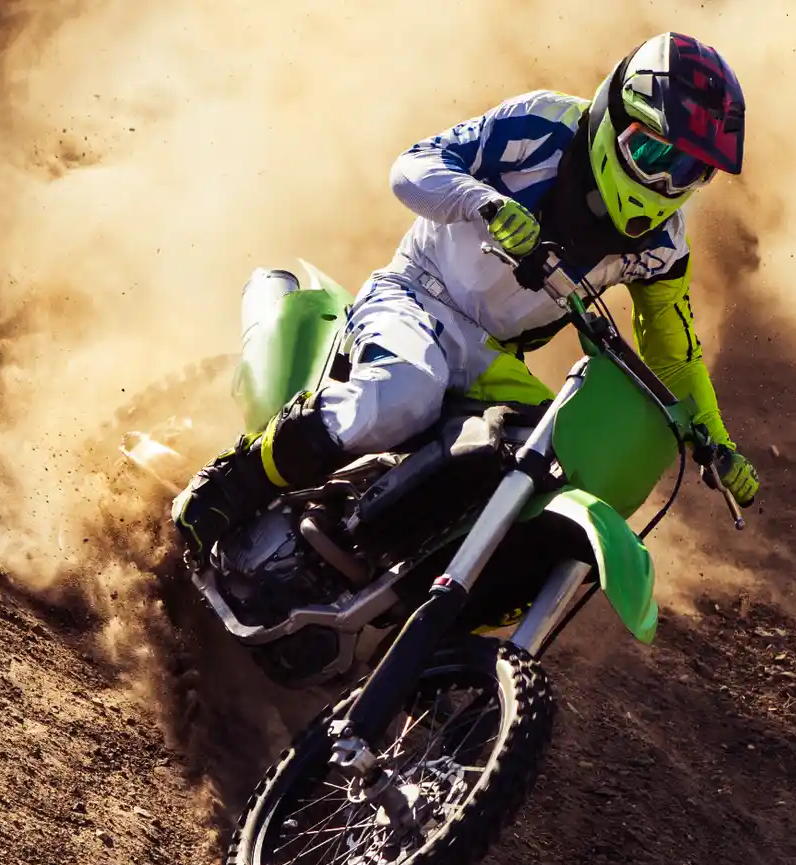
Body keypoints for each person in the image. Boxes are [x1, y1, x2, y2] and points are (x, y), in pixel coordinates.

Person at [172, 31, 761, 558]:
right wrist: (485, 203)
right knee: (406, 392)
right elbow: (412, 168)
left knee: (554, 465)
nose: (665, 181)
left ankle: (408, 581)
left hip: (490, 357)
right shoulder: (544, 126)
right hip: (414, 295)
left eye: (690, 171)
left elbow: (674, 354)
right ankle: (234, 482)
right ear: (614, 116)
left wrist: (718, 441)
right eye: (654, 152)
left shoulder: (663, 247)